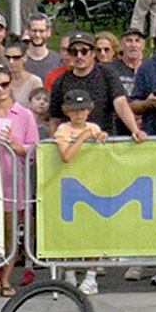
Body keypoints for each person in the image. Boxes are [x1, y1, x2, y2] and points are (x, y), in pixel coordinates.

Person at [0, 66, 39, 295]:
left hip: (15, 180)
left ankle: (6, 278)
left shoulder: (24, 114)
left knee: (11, 233)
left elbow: (34, 147)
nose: (0, 90)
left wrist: (16, 147)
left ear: (11, 86)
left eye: (4, 84)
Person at [51, 89, 108, 293]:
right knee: (70, 231)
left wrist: (100, 135)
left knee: (92, 230)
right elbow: (66, 156)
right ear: (67, 111)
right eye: (74, 110)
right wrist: (83, 137)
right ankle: (69, 273)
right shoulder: (63, 130)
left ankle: (91, 275)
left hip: (91, 183)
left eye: (82, 110)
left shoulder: (93, 127)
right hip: (69, 185)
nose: (78, 115)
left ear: (89, 110)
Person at [54, 31, 147, 141]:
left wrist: (135, 130)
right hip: (71, 145)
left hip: (104, 143)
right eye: (74, 52)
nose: (79, 56)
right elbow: (55, 118)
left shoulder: (107, 75)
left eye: (84, 51)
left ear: (93, 54)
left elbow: (120, 103)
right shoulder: (61, 81)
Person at [2, 38, 43, 118]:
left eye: (16, 58)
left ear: (24, 58)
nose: (11, 62)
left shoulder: (35, 82)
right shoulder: (1, 81)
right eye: (8, 58)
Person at [23, 14, 62, 84]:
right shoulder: (20, 61)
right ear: (28, 32)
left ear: (48, 32)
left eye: (41, 31)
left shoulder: (58, 61)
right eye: (34, 31)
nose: (37, 35)